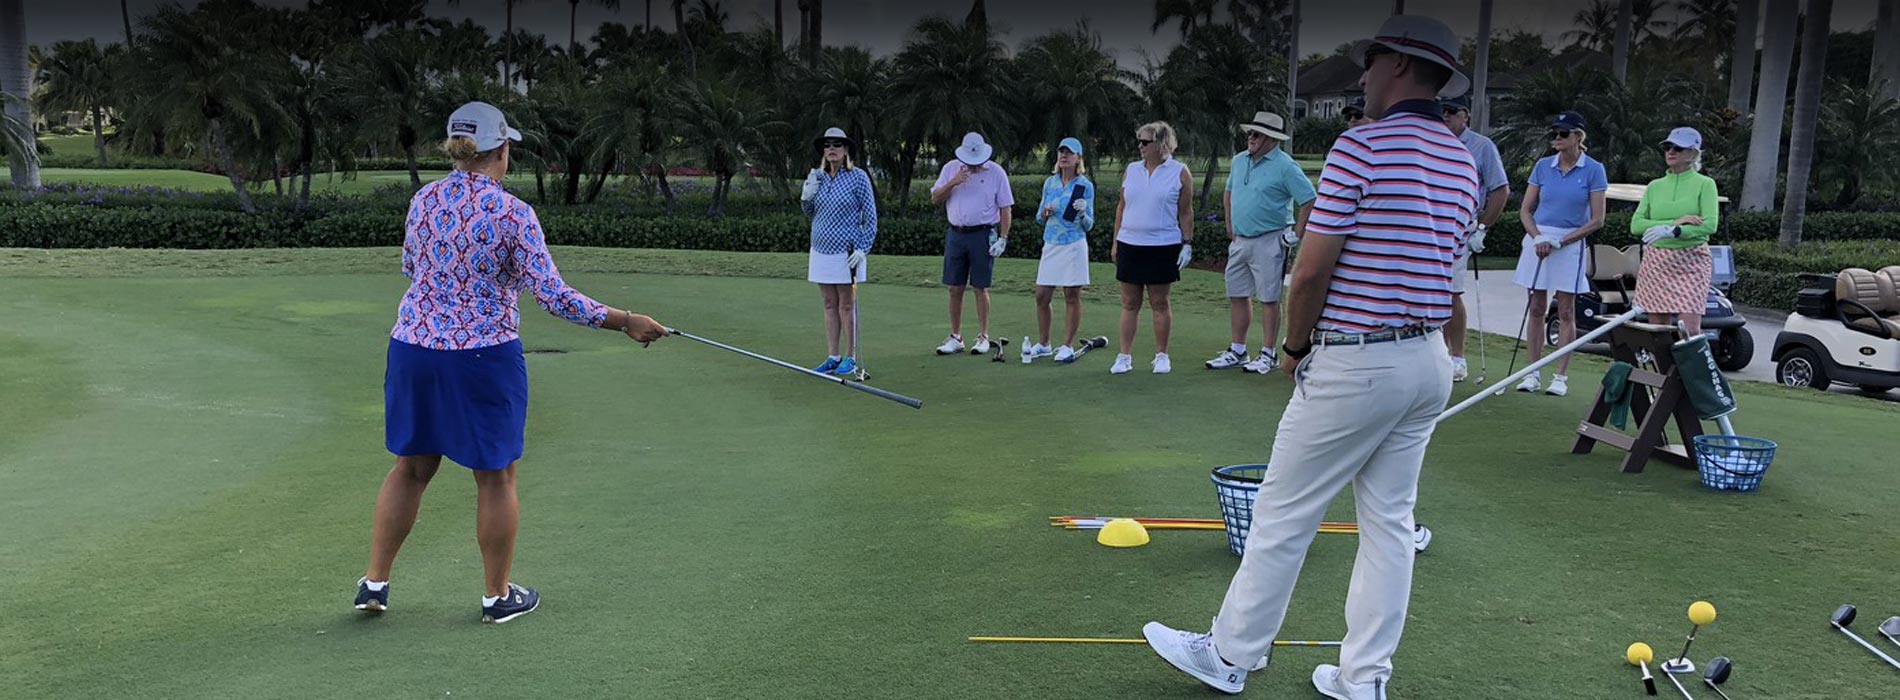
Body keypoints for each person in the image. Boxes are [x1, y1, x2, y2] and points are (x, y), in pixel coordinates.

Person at [1142, 15, 1478, 699]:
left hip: (1360, 360)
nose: (1363, 74)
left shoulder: (1361, 145)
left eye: (1372, 60)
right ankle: (1364, 678)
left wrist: (1293, 348)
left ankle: (1229, 655)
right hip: (1428, 358)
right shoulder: (1460, 158)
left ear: (1401, 65)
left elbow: (1312, 272)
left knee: (1284, 510)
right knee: (1390, 524)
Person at [358, 102, 667, 624]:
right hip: (482, 356)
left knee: (410, 468)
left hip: (413, 349)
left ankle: (375, 583)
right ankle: (497, 596)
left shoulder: (423, 199)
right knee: (496, 476)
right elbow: (553, 296)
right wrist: (624, 320)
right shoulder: (512, 213)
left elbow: (412, 267)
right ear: (501, 151)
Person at [1205, 110, 1315, 374]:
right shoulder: (1239, 160)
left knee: (1269, 298)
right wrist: (1229, 224)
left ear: (1271, 139)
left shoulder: (1285, 166)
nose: (1251, 138)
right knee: (1237, 294)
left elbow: (1309, 199)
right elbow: (1229, 192)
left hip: (1270, 239)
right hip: (1240, 239)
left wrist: (1297, 233)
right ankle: (1238, 350)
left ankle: (1268, 353)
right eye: (1250, 133)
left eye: (1257, 134)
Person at [1511, 110, 1607, 397]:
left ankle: (1560, 377)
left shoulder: (1594, 169)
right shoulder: (1543, 166)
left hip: (1570, 243)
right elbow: (1525, 210)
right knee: (1536, 307)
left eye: (1563, 133)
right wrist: (1538, 237)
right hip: (1538, 238)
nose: (1556, 138)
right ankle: (1532, 373)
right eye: (1554, 133)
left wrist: (1561, 242)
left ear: (1578, 136)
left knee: (1565, 310)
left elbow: (1597, 220)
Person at [1109, 121, 1194, 375]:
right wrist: (1115, 241)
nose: (1140, 146)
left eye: (1145, 142)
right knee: (1129, 303)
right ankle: (1124, 356)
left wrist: (1187, 243)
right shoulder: (1132, 170)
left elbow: (1186, 211)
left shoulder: (1179, 172)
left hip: (1162, 245)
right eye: (1140, 141)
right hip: (1130, 243)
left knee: (1159, 302)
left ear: (1161, 144)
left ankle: (1162, 355)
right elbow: (1122, 208)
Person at [1440, 95, 1511, 382]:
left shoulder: (1482, 146)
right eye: (1441, 111)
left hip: (1461, 228)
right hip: (1430, 225)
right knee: (1427, 290)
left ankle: (1457, 358)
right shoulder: (1432, 141)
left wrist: (1483, 227)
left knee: (1451, 292)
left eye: (1451, 111)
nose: (1445, 116)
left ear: (1465, 115)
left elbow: (1500, 190)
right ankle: (1435, 355)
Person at [801, 127, 879, 376]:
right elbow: (810, 213)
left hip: (847, 252)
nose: (832, 149)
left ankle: (850, 357)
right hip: (820, 249)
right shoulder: (819, 177)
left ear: (846, 150)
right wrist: (806, 195)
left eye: (837, 145)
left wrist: (863, 249)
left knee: (846, 305)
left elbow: (871, 217)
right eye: (827, 145)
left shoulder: (858, 177)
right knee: (828, 303)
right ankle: (833, 356)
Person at [930, 132, 1013, 356]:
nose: (973, 165)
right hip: (956, 234)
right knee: (954, 287)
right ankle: (956, 337)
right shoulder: (950, 168)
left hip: (982, 234)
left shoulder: (996, 172)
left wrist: (1003, 238)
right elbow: (935, 198)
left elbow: (1006, 208)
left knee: (980, 287)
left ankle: (983, 336)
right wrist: (953, 182)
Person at [1631, 127, 1721, 335]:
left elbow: (1709, 225)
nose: (1671, 151)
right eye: (1667, 147)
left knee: (1689, 330)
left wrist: (1676, 232)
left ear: (1693, 154)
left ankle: (1689, 359)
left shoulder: (1705, 184)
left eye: (1678, 148)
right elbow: (1636, 225)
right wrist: (1674, 223)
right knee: (1657, 330)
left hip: (1691, 260)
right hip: (1657, 260)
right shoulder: (1654, 186)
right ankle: (1661, 360)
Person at [1023, 137, 1095, 363]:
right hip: (1052, 243)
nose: (1064, 156)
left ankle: (1067, 345)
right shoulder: (1050, 183)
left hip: (1074, 244)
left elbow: (1089, 225)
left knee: (1071, 295)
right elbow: (1039, 218)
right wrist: (1045, 213)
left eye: (1069, 153)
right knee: (1042, 295)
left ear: (1078, 158)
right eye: (1061, 152)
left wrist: (1082, 213)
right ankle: (1044, 344)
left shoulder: (1084, 186)